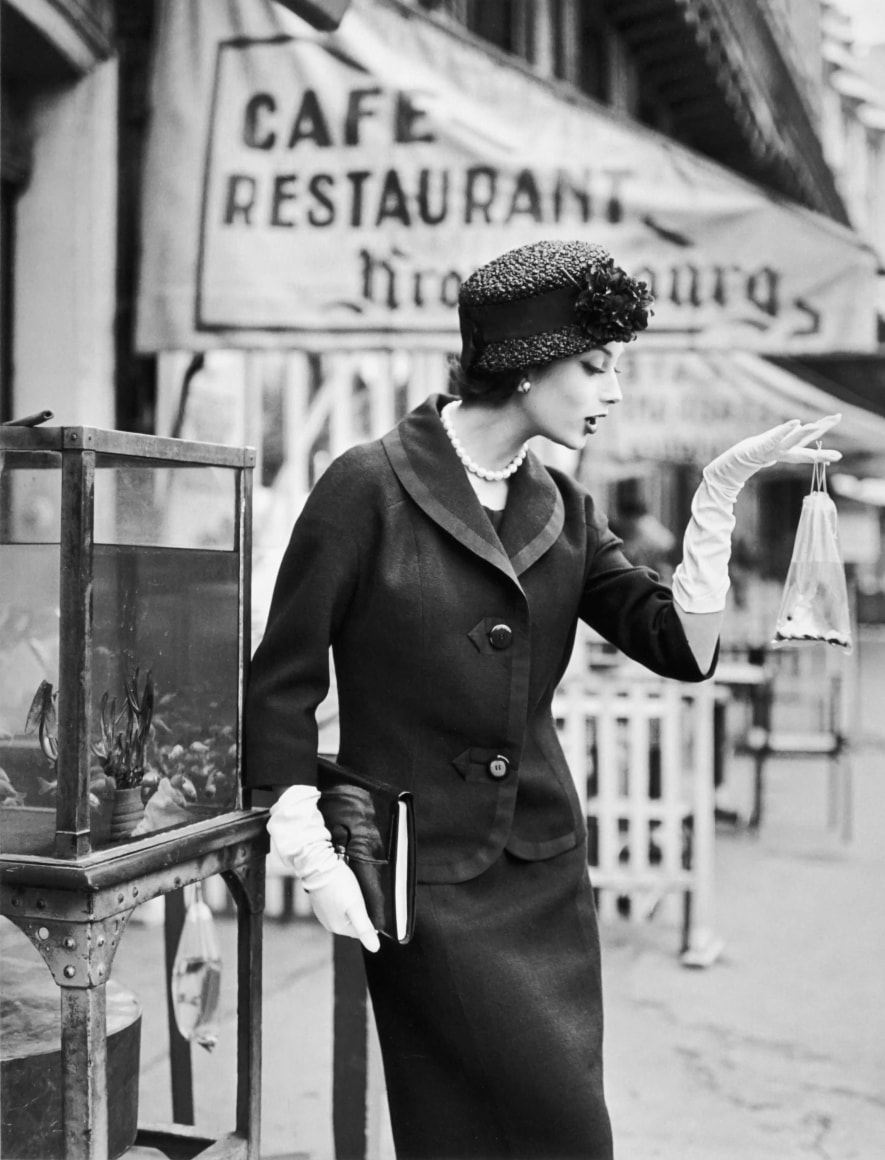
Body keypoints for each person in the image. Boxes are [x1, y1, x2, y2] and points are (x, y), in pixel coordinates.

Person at [244, 239, 840, 1160]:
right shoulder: (366, 485)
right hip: (421, 874)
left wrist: (717, 498)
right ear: (526, 368)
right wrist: (300, 836)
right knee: (487, 1132)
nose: (609, 392)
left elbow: (681, 648)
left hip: (543, 874)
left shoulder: (563, 506)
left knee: (560, 1131)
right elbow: (283, 677)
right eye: (593, 367)